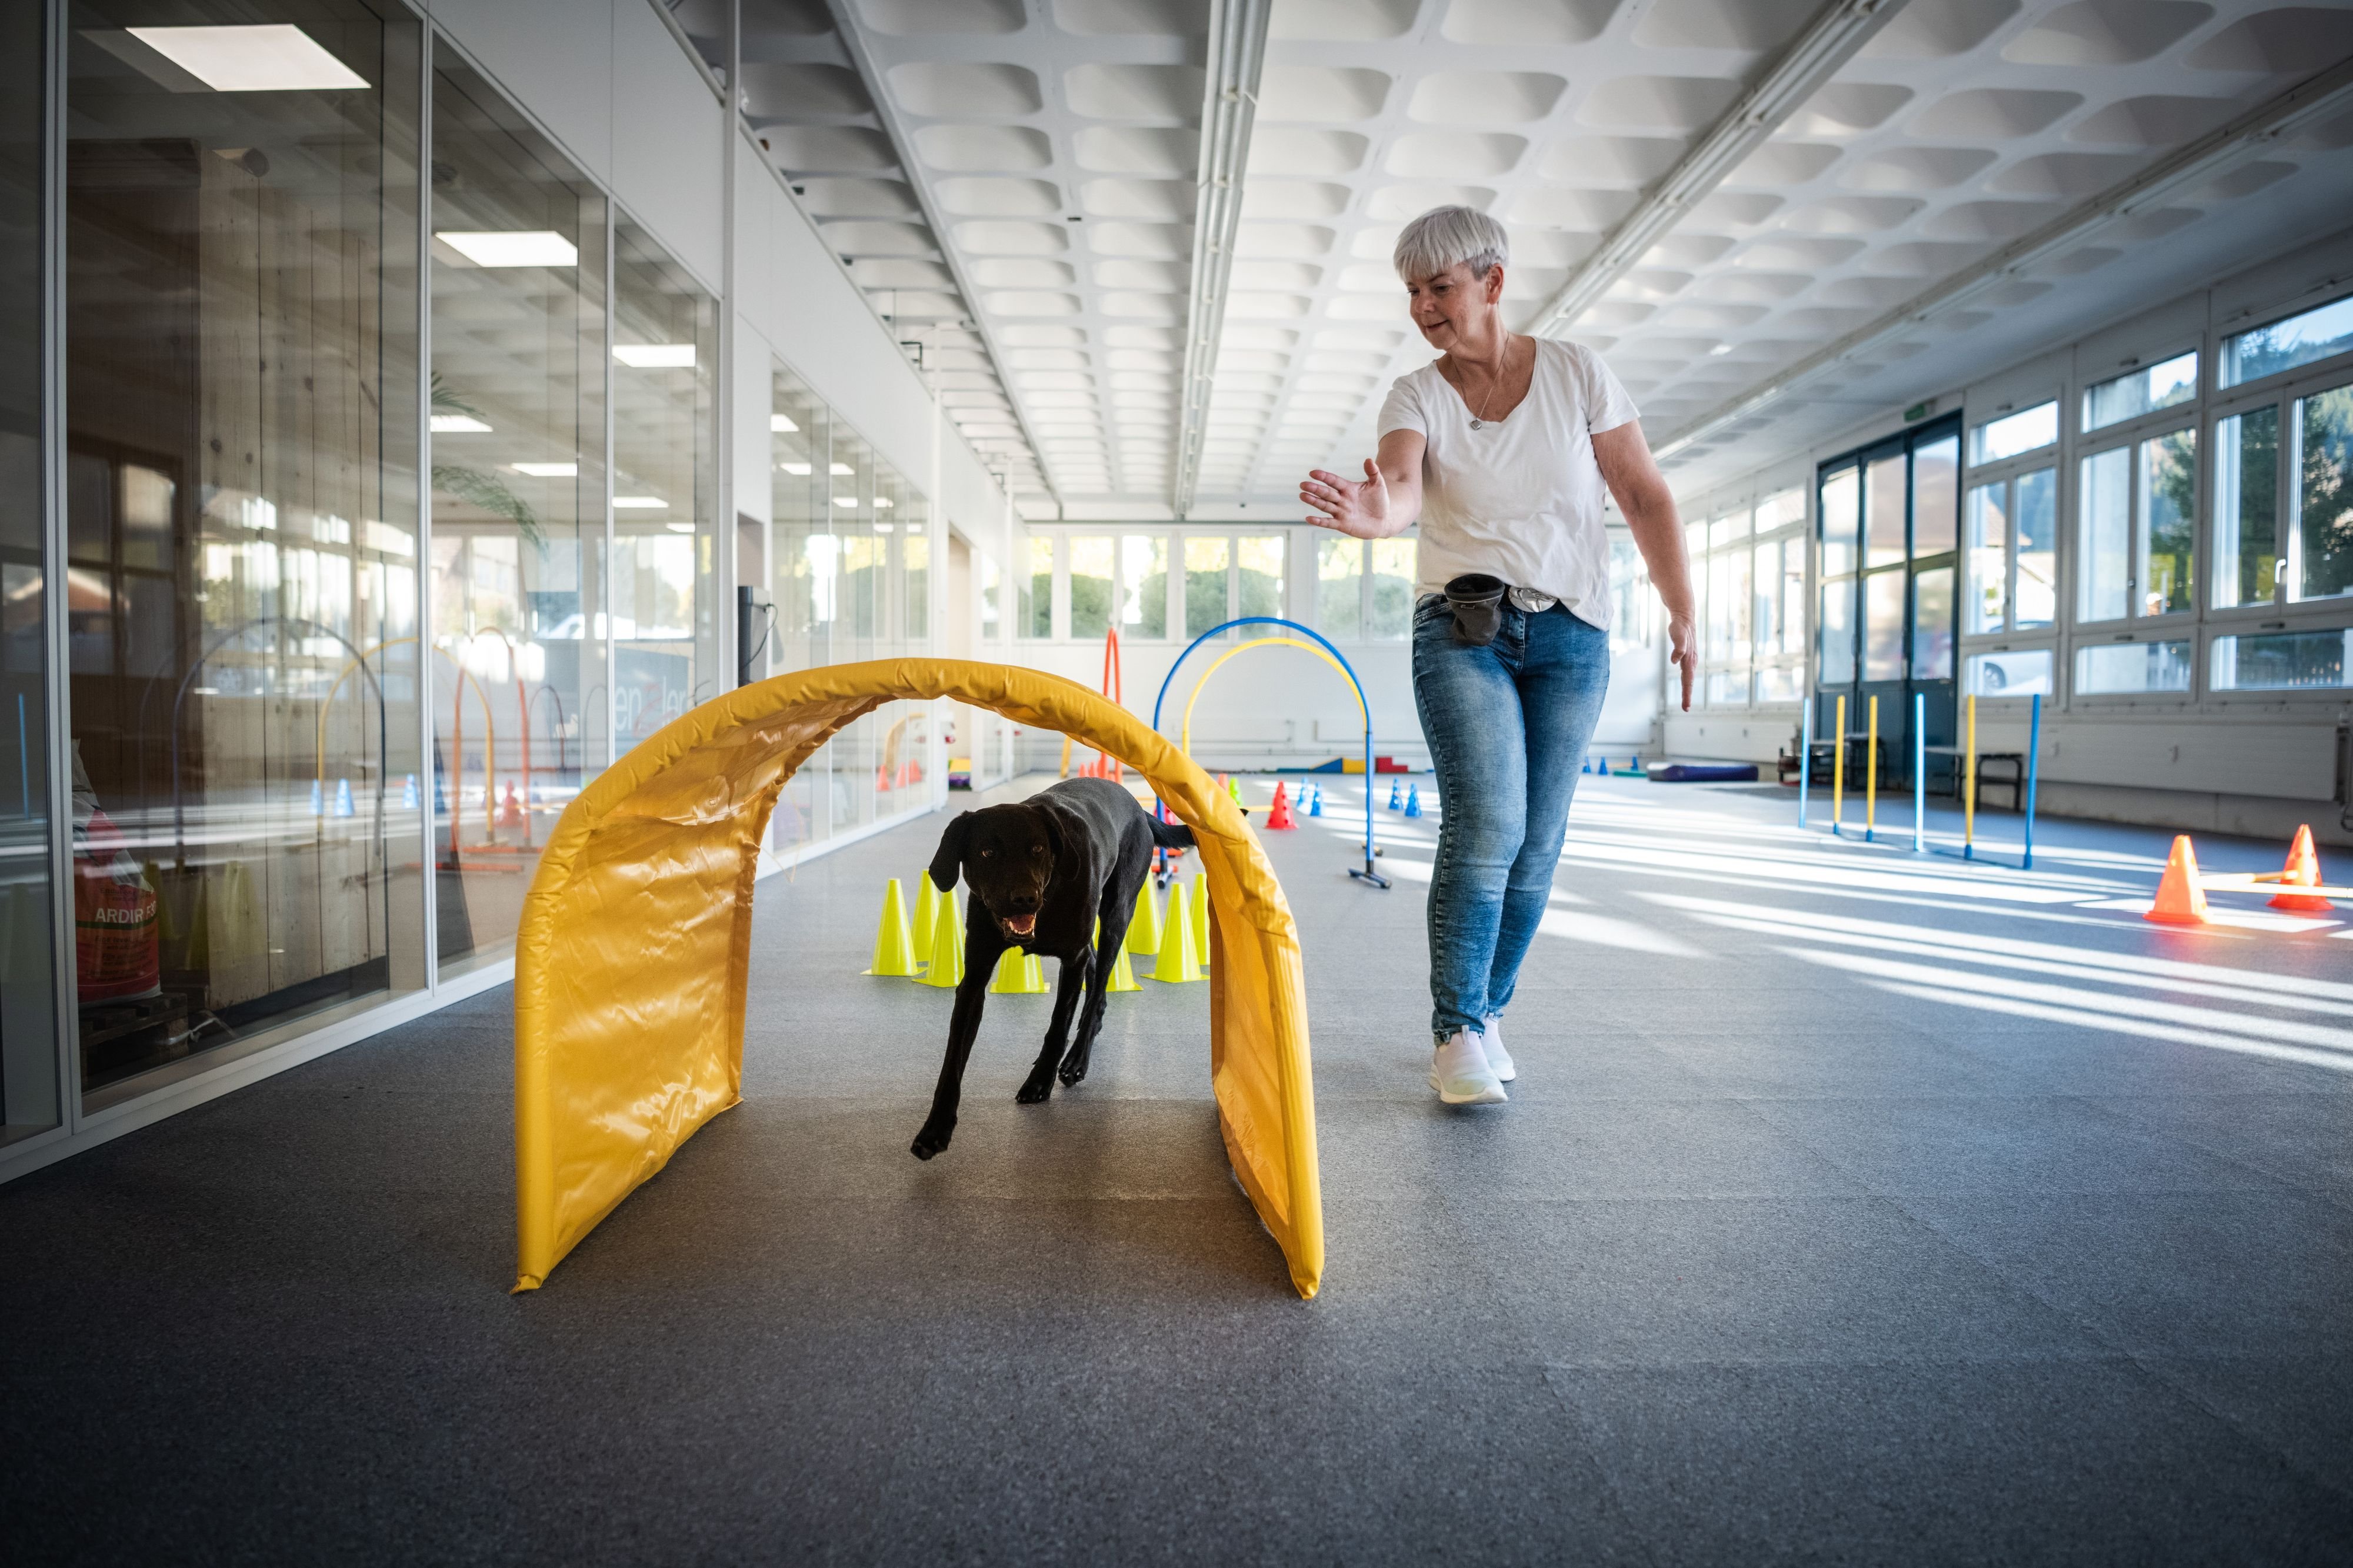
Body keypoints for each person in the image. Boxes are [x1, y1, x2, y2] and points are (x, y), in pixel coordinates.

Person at [1299, 206, 1695, 1107]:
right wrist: (1377, 514)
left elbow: (1643, 494)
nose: (1424, 306)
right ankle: (1457, 1031)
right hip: (1461, 629)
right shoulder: (1417, 394)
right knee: (1487, 828)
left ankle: (1488, 1009)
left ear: (1493, 281)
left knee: (1539, 845)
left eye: (1439, 286)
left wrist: (1683, 611)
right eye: (1412, 291)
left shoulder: (1576, 373)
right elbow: (1399, 488)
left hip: (1571, 636)